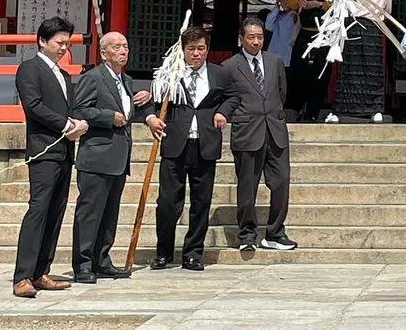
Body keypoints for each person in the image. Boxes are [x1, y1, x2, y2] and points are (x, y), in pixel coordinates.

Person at [12, 17, 88, 299]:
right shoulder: (30, 69)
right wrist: (66, 125)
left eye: (67, 43)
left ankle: (41, 270)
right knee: (39, 209)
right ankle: (22, 275)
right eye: (59, 42)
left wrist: (81, 123)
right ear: (43, 41)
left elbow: (73, 107)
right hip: (44, 149)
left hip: (65, 151)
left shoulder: (64, 75)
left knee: (56, 211)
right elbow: (33, 106)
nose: (63, 48)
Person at [70, 31, 153, 283]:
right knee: (90, 213)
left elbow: (127, 111)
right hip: (97, 154)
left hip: (118, 155)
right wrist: (108, 117)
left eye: (125, 46)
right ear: (104, 52)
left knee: (109, 213)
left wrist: (143, 102)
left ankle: (102, 260)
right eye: (116, 47)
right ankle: (83, 264)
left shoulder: (125, 80)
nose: (123, 51)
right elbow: (80, 108)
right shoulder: (93, 77)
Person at [145, 26, 229, 271]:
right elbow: (152, 101)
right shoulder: (170, 74)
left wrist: (224, 111)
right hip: (175, 144)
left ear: (207, 49)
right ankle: (163, 252)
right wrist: (151, 118)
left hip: (205, 144)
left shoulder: (219, 74)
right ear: (182, 50)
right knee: (169, 202)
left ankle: (193, 253)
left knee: (201, 202)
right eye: (191, 49)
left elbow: (233, 97)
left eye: (201, 48)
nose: (196, 54)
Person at [223, 16, 296, 255]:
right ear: (241, 38)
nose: (256, 42)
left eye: (260, 37)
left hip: (274, 130)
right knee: (247, 187)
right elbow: (228, 99)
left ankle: (275, 232)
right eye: (251, 37)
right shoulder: (230, 66)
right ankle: (247, 233)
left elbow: (282, 92)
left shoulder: (275, 61)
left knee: (282, 181)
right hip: (247, 131)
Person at [327, 0, 391, 124]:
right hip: (375, 29)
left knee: (350, 69)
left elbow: (345, 5)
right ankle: (375, 111)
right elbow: (387, 12)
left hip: (355, 27)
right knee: (373, 70)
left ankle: (340, 111)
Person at [287, 0, 345, 122]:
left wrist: (319, 4)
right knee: (299, 71)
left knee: (320, 75)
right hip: (304, 32)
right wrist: (300, 1)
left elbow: (341, 3)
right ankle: (298, 107)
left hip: (325, 35)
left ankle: (314, 110)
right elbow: (290, 2)